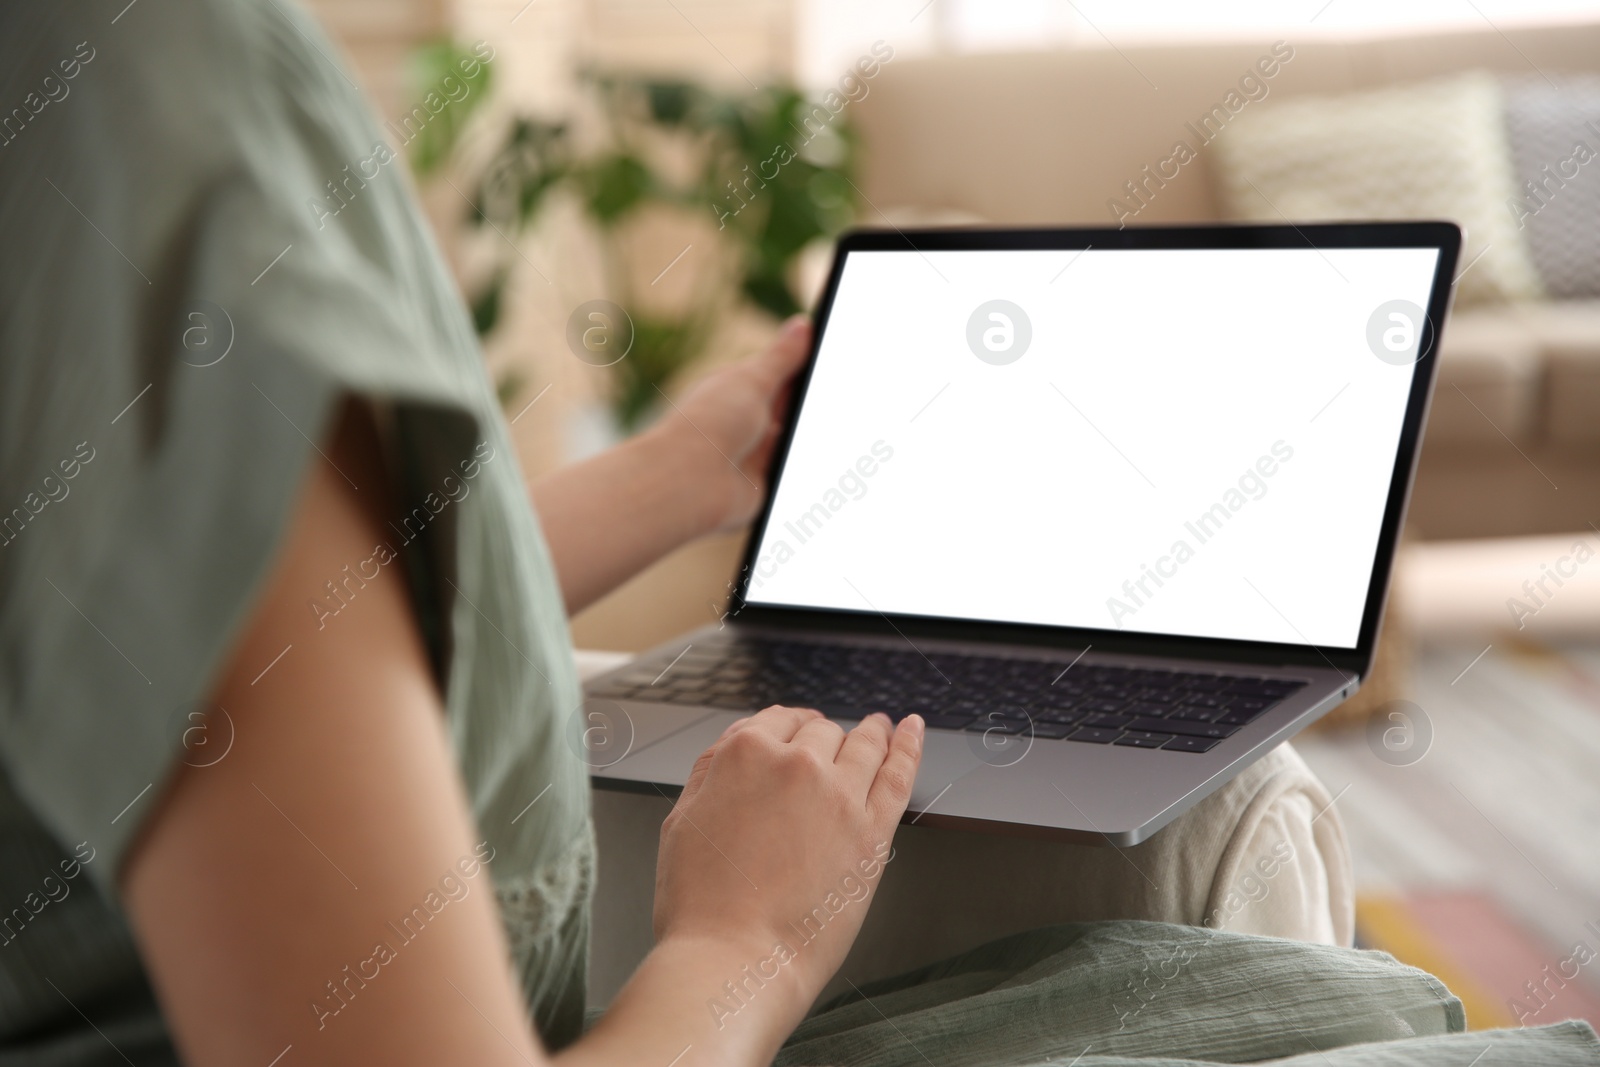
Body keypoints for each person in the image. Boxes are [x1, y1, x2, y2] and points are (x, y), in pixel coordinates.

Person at [5, 4, 1596, 1067]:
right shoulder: (143, 103)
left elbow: (204, 639)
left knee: (1351, 984)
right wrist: (749, 942)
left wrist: (687, 469)